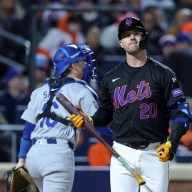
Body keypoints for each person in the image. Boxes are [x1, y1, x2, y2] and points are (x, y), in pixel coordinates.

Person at [70, 17, 192, 192]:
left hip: (155, 152)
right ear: (121, 42)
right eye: (126, 35)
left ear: (145, 37)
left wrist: (173, 142)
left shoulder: (164, 74)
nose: (132, 37)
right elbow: (105, 114)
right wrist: (90, 119)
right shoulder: (111, 78)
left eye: (136, 33)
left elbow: (182, 110)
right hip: (122, 152)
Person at [15, 43, 99, 192]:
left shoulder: (41, 89)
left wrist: (21, 159)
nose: (85, 66)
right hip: (57, 154)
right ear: (74, 65)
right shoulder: (81, 90)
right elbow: (100, 124)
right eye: (82, 62)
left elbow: (28, 128)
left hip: (33, 156)